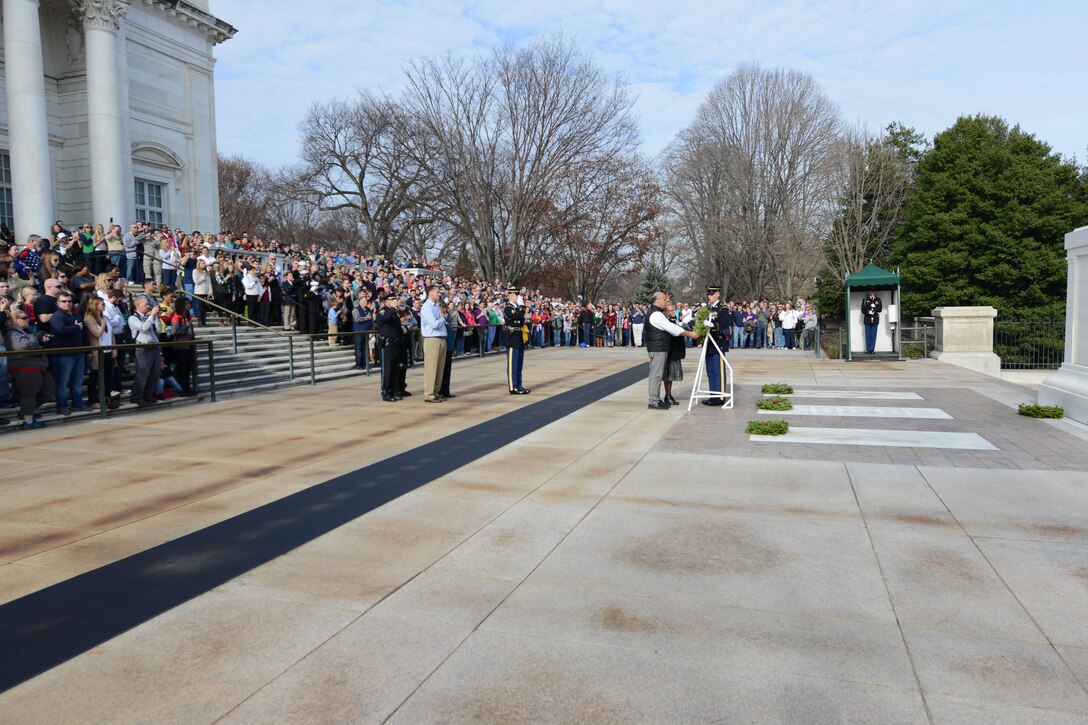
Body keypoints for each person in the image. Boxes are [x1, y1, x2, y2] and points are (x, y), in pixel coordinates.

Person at [645, 291, 698, 409]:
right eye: (664, 300)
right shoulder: (656, 314)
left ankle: (655, 399)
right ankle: (653, 401)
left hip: (659, 348)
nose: (666, 302)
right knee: (656, 375)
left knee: (657, 375)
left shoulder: (655, 313)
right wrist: (690, 334)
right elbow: (672, 328)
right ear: (659, 300)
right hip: (658, 348)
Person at [4, 308, 54, 429]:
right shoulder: (11, 332)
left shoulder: (27, 331)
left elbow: (34, 344)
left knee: (49, 390)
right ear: (15, 320)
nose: (27, 320)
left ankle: (26, 411)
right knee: (29, 394)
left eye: (27, 317)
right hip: (24, 367)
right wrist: (36, 337)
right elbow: (23, 346)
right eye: (24, 318)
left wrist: (42, 340)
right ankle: (28, 422)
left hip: (38, 365)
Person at [50, 291, 87, 415]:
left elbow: (83, 332)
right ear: (58, 303)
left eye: (69, 301)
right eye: (64, 301)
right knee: (62, 383)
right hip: (63, 354)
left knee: (77, 382)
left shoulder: (77, 316)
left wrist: (87, 350)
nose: (67, 303)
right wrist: (76, 328)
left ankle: (77, 403)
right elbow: (60, 330)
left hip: (78, 352)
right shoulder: (57, 316)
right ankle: (62, 405)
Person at [128, 295, 161, 407]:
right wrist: (151, 315)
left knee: (155, 373)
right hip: (143, 348)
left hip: (154, 347)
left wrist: (156, 317)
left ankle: (148, 395)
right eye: (146, 304)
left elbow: (159, 330)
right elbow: (143, 328)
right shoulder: (132, 318)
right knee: (143, 373)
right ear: (138, 305)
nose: (148, 306)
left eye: (148, 304)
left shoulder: (149, 317)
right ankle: (137, 396)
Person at [702, 287, 731, 406]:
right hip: (709, 343)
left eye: (712, 294)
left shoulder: (722, 308)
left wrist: (713, 325)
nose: (709, 296)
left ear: (717, 294)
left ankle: (720, 397)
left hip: (718, 342)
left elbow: (725, 323)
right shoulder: (709, 308)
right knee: (711, 371)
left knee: (719, 371)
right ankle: (713, 396)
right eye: (708, 294)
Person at [419, 284, 447, 403]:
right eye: (437, 292)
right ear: (430, 293)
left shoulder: (436, 306)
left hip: (441, 338)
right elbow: (434, 324)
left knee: (439, 368)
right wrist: (443, 318)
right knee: (431, 368)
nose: (439, 294)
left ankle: (435, 391)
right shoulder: (427, 307)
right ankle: (429, 394)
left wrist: (441, 318)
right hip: (432, 339)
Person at [375, 293, 405, 401]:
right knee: (387, 370)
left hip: (395, 344)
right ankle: (386, 392)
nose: (395, 302)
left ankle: (392, 391)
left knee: (394, 369)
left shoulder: (393, 312)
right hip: (387, 344)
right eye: (393, 300)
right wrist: (392, 308)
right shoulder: (383, 312)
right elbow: (387, 317)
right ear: (387, 301)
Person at [503, 286, 529, 395]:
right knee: (512, 364)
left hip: (519, 337)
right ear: (511, 296)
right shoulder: (508, 308)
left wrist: (519, 315)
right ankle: (513, 387)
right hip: (512, 337)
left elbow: (521, 319)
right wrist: (522, 309)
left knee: (519, 364)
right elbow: (518, 316)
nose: (518, 298)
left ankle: (519, 385)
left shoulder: (517, 308)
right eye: (517, 296)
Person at [662, 301, 686, 406]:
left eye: (674, 310)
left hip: (674, 350)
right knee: (667, 375)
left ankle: (669, 394)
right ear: (666, 311)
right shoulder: (665, 321)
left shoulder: (673, 319)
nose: (673, 312)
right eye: (671, 310)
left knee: (671, 375)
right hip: (668, 350)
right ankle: (667, 395)